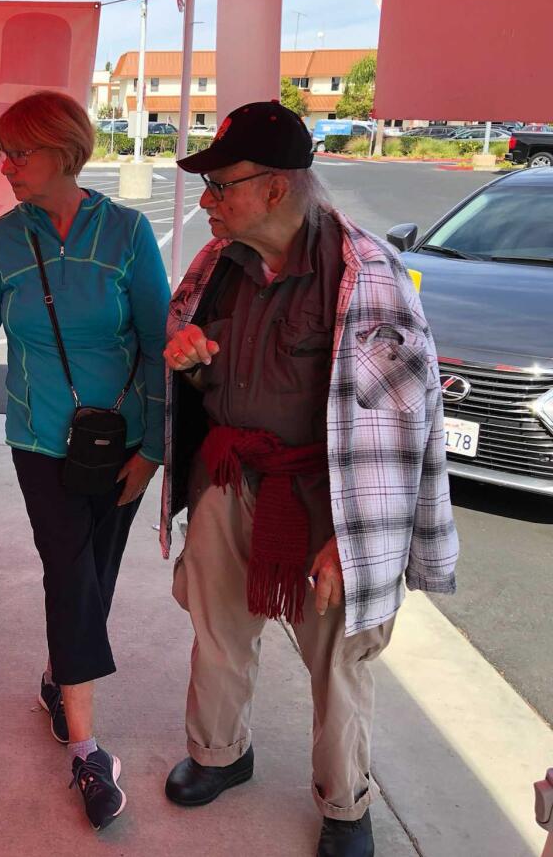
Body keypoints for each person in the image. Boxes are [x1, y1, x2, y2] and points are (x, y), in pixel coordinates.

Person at [159, 101, 458, 857]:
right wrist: (191, 364)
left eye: (220, 186)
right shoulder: (213, 267)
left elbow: (399, 428)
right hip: (229, 476)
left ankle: (345, 802)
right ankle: (220, 754)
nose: (206, 201)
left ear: (276, 188)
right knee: (218, 628)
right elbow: (200, 374)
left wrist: (354, 549)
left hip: (329, 499)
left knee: (339, 655)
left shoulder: (367, 277)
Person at [0, 90, 170, 830]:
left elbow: (159, 346)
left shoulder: (126, 233)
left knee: (94, 576)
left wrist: (153, 450)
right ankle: (89, 751)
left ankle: (61, 677)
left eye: (17, 152)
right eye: (2, 152)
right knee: (68, 570)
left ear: (63, 151)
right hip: (40, 443)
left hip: (121, 444)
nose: (4, 167)